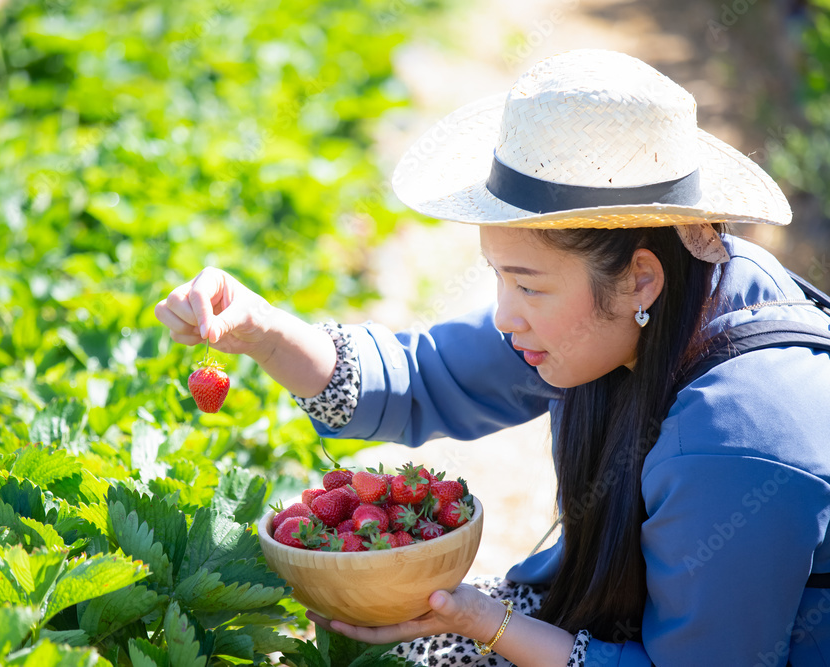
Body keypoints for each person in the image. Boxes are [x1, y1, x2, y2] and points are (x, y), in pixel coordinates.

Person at [155, 49, 830, 666]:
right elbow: (422, 378)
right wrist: (262, 330)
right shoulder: (680, 284)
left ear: (639, 279)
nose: (505, 314)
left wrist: (487, 622)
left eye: (528, 284)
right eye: (499, 276)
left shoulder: (735, 446)